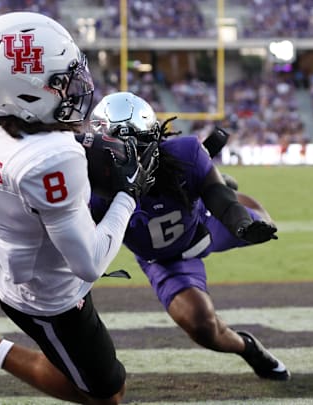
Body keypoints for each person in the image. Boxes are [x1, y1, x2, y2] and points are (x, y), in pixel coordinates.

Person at [0, 13, 156, 404]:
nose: (73, 89)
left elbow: (33, 140)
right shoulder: (51, 158)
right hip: (49, 294)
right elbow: (89, 263)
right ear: (20, 94)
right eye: (60, 82)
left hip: (20, 260)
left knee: (96, 380)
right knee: (106, 396)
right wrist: (129, 194)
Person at [87, 92, 291, 381]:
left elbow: (220, 200)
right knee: (203, 327)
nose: (125, 162)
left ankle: (218, 179)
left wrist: (240, 223)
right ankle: (249, 348)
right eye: (115, 152)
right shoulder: (91, 187)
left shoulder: (184, 154)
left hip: (205, 227)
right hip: (163, 259)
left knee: (264, 223)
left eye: (134, 150)